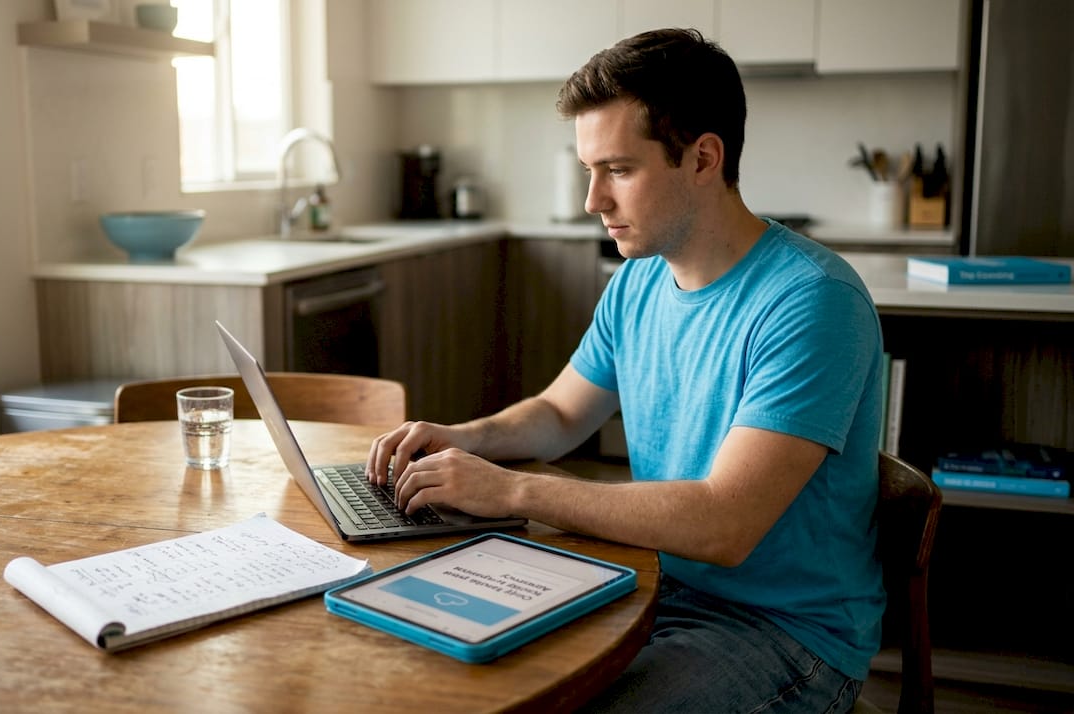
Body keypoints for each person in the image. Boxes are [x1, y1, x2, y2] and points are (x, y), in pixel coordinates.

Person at [367, 28, 885, 713]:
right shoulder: (638, 282)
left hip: (783, 634)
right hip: (654, 583)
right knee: (450, 668)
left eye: (618, 169)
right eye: (589, 169)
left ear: (703, 158)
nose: (593, 200)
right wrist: (463, 438)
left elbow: (724, 524)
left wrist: (513, 491)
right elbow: (559, 415)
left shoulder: (812, 301)